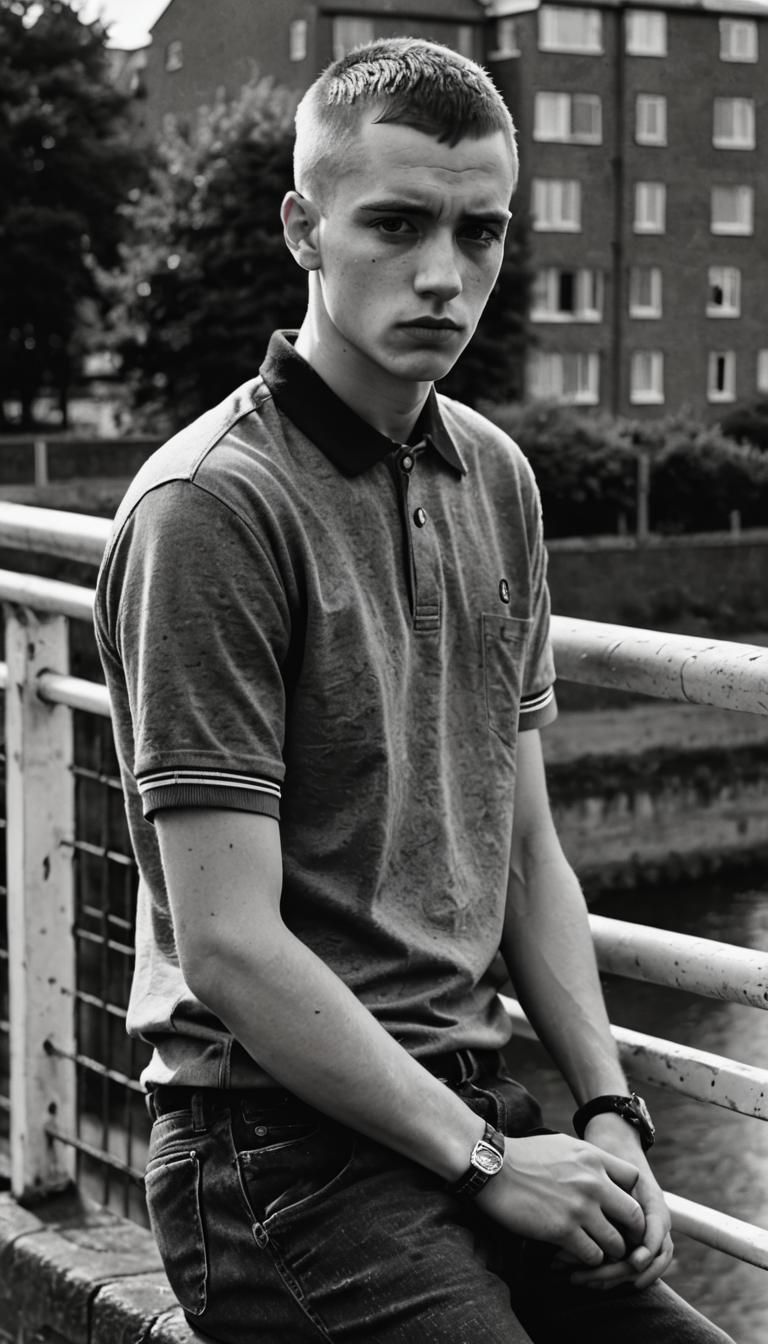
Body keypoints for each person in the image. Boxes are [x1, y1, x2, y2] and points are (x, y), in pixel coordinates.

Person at [94, 37, 734, 1344]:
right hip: (269, 1149)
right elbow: (228, 945)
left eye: (480, 231)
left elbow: (527, 850)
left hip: (467, 1111)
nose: (445, 273)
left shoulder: (495, 478)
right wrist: (490, 1165)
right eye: (396, 223)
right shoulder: (213, 506)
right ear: (304, 231)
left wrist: (609, 1110)